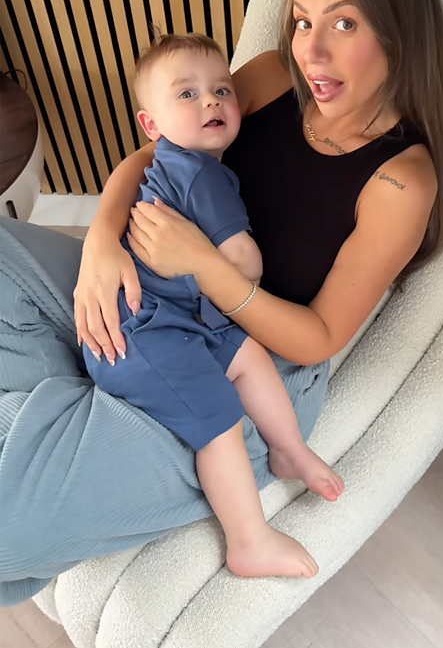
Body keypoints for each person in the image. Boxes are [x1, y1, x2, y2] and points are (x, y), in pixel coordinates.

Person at [0, 0, 443, 605]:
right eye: (303, 20)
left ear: (401, 31)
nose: (312, 49)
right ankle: (69, 406)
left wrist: (207, 266)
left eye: (343, 24)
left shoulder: (402, 180)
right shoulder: (276, 75)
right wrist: (99, 244)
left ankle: (71, 422)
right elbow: (160, 151)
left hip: (254, 365)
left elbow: (320, 336)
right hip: (153, 287)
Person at [83, 32, 344, 578]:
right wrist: (233, 261)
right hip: (143, 333)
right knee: (221, 420)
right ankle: (248, 540)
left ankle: (287, 450)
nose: (211, 101)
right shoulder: (202, 174)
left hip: (176, 315)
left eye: (222, 89)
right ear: (151, 127)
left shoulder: (182, 164)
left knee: (246, 354)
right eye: (187, 94)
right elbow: (243, 264)